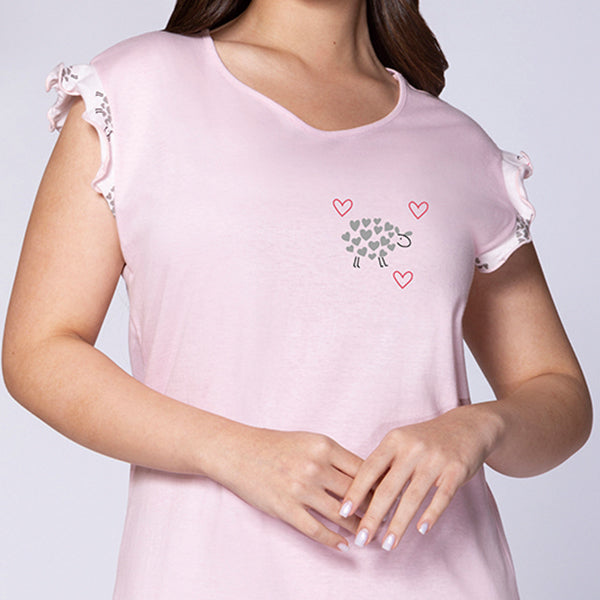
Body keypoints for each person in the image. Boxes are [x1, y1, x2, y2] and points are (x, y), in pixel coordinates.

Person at [2, 1, 593, 598]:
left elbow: (558, 393)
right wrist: (229, 450)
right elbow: (39, 350)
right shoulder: (138, 90)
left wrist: (479, 427)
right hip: (209, 578)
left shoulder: (459, 147)